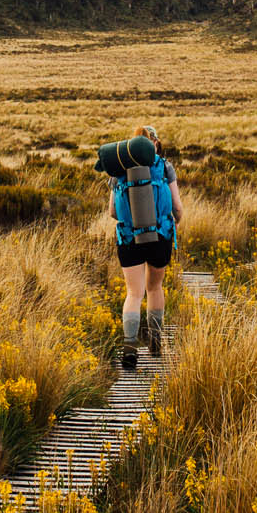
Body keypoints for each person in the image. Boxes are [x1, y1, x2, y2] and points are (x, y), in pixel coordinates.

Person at [111, 124, 182, 369]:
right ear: (155, 143)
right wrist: (174, 222)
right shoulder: (165, 167)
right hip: (160, 235)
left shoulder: (119, 169)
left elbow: (112, 211)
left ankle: (129, 346)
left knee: (134, 293)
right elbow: (178, 208)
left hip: (129, 238)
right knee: (154, 288)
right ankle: (155, 342)